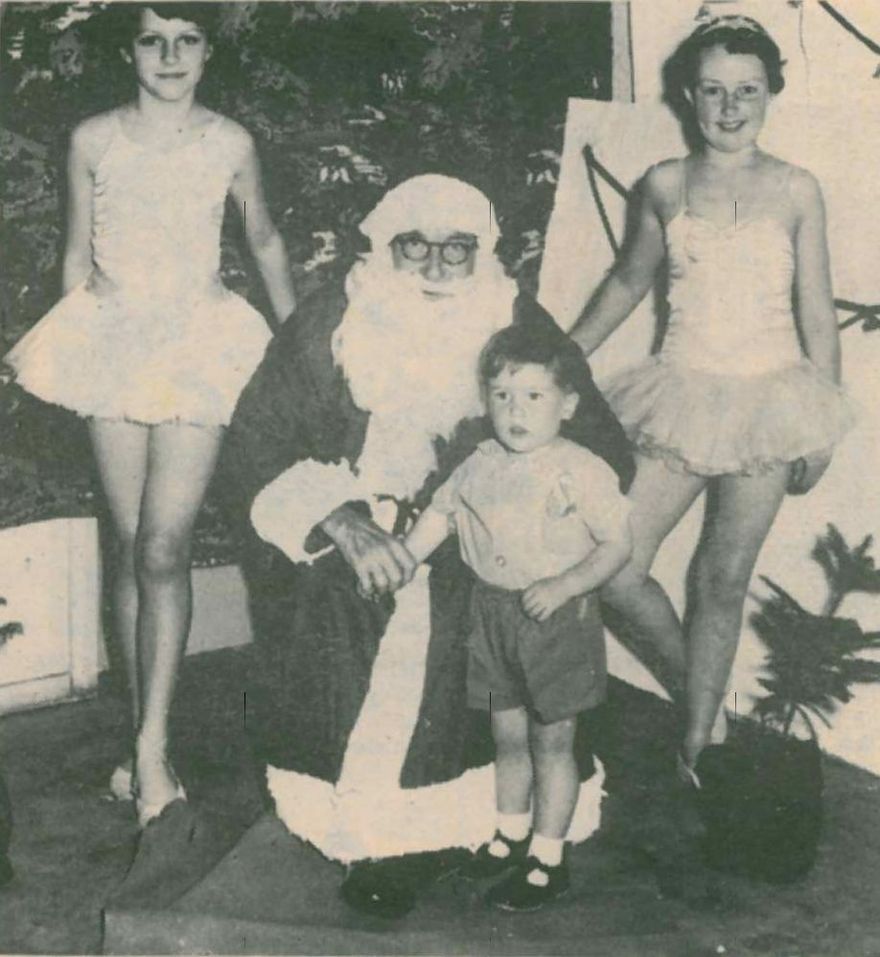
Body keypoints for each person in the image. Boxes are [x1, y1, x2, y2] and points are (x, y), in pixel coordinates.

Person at [224, 174, 633, 917]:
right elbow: (258, 441)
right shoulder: (330, 319)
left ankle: (483, 830)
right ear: (386, 245)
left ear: (484, 252)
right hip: (351, 529)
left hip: (481, 545)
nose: (438, 267)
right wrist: (340, 521)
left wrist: (528, 514)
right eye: (415, 246)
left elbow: (600, 443)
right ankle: (379, 835)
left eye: (458, 249)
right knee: (349, 610)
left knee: (465, 635)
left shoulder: (512, 317)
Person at [3, 3, 296, 828]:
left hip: (200, 342)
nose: (170, 55)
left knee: (166, 546)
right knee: (132, 545)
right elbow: (75, 256)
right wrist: (74, 352)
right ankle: (142, 737)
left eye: (187, 39)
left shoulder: (229, 141)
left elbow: (264, 240)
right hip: (114, 342)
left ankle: (154, 747)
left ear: (208, 52)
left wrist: (299, 345)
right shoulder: (94, 139)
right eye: (152, 39)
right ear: (128, 51)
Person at [570, 15, 855, 783]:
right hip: (679, 394)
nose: (730, 108)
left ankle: (700, 740)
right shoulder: (664, 183)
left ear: (770, 94)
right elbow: (627, 282)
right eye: (714, 91)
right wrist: (562, 354)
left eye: (747, 91)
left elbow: (816, 309)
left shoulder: (797, 189)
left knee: (721, 578)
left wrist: (824, 421)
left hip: (771, 403)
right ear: (689, 96)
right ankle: (705, 697)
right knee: (614, 565)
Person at [401, 324, 632, 911]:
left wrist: (565, 584)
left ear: (567, 405)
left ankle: (548, 859)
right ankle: (509, 835)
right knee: (506, 736)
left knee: (552, 744)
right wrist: (405, 558)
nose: (515, 411)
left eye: (533, 396)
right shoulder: (479, 462)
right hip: (492, 615)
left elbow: (617, 544)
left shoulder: (581, 469)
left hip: (556, 619)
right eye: (502, 395)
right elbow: (441, 513)